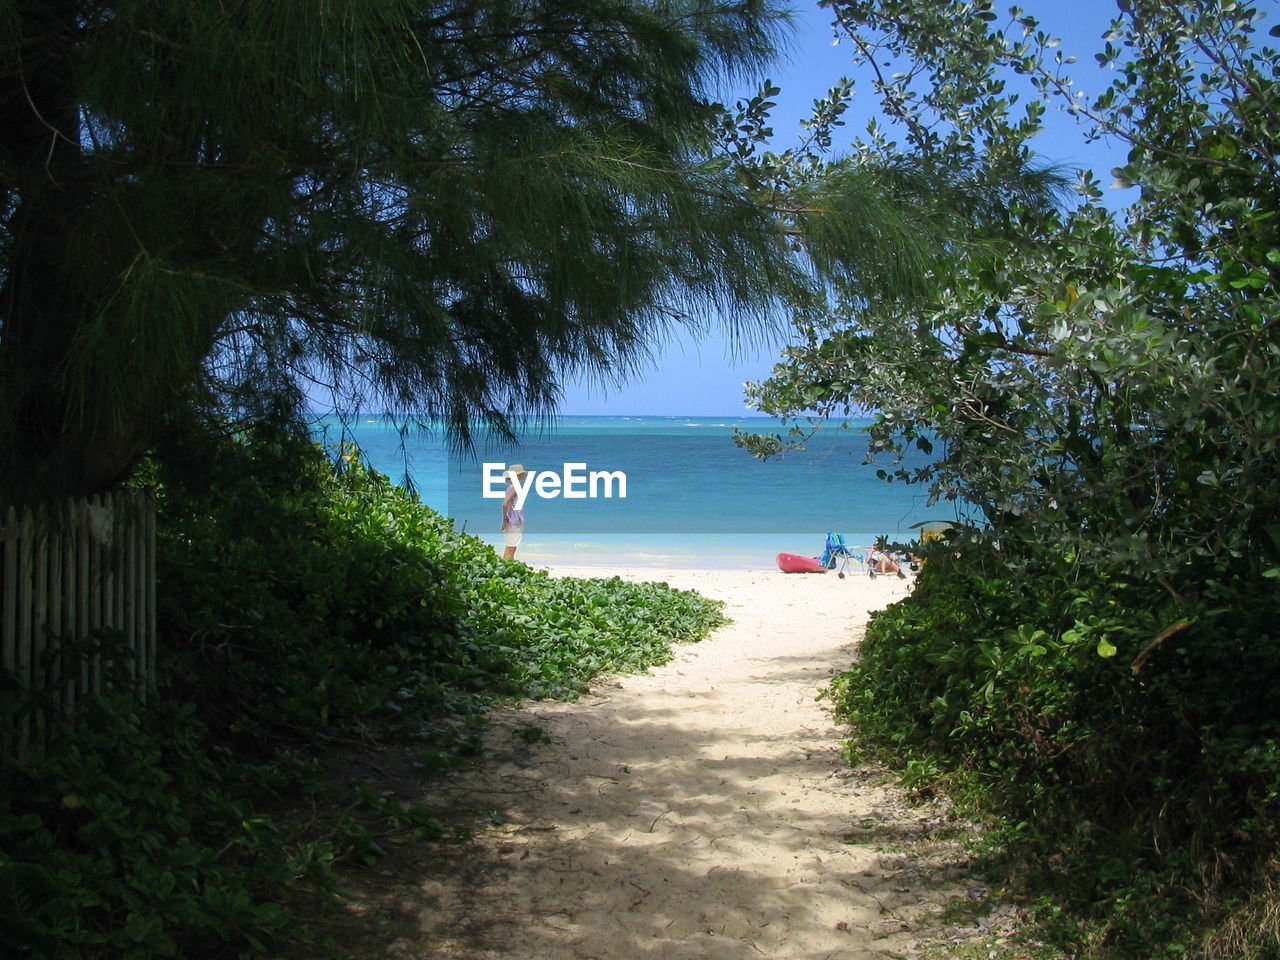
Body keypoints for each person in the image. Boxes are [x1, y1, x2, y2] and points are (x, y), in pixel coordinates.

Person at [501, 464, 529, 560]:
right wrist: (504, 520)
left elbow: (506, 504)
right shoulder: (515, 487)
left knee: (509, 547)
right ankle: (506, 566)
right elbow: (505, 504)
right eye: (521, 474)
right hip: (514, 522)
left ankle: (504, 566)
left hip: (511, 521)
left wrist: (505, 520)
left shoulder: (510, 487)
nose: (523, 475)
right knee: (511, 549)